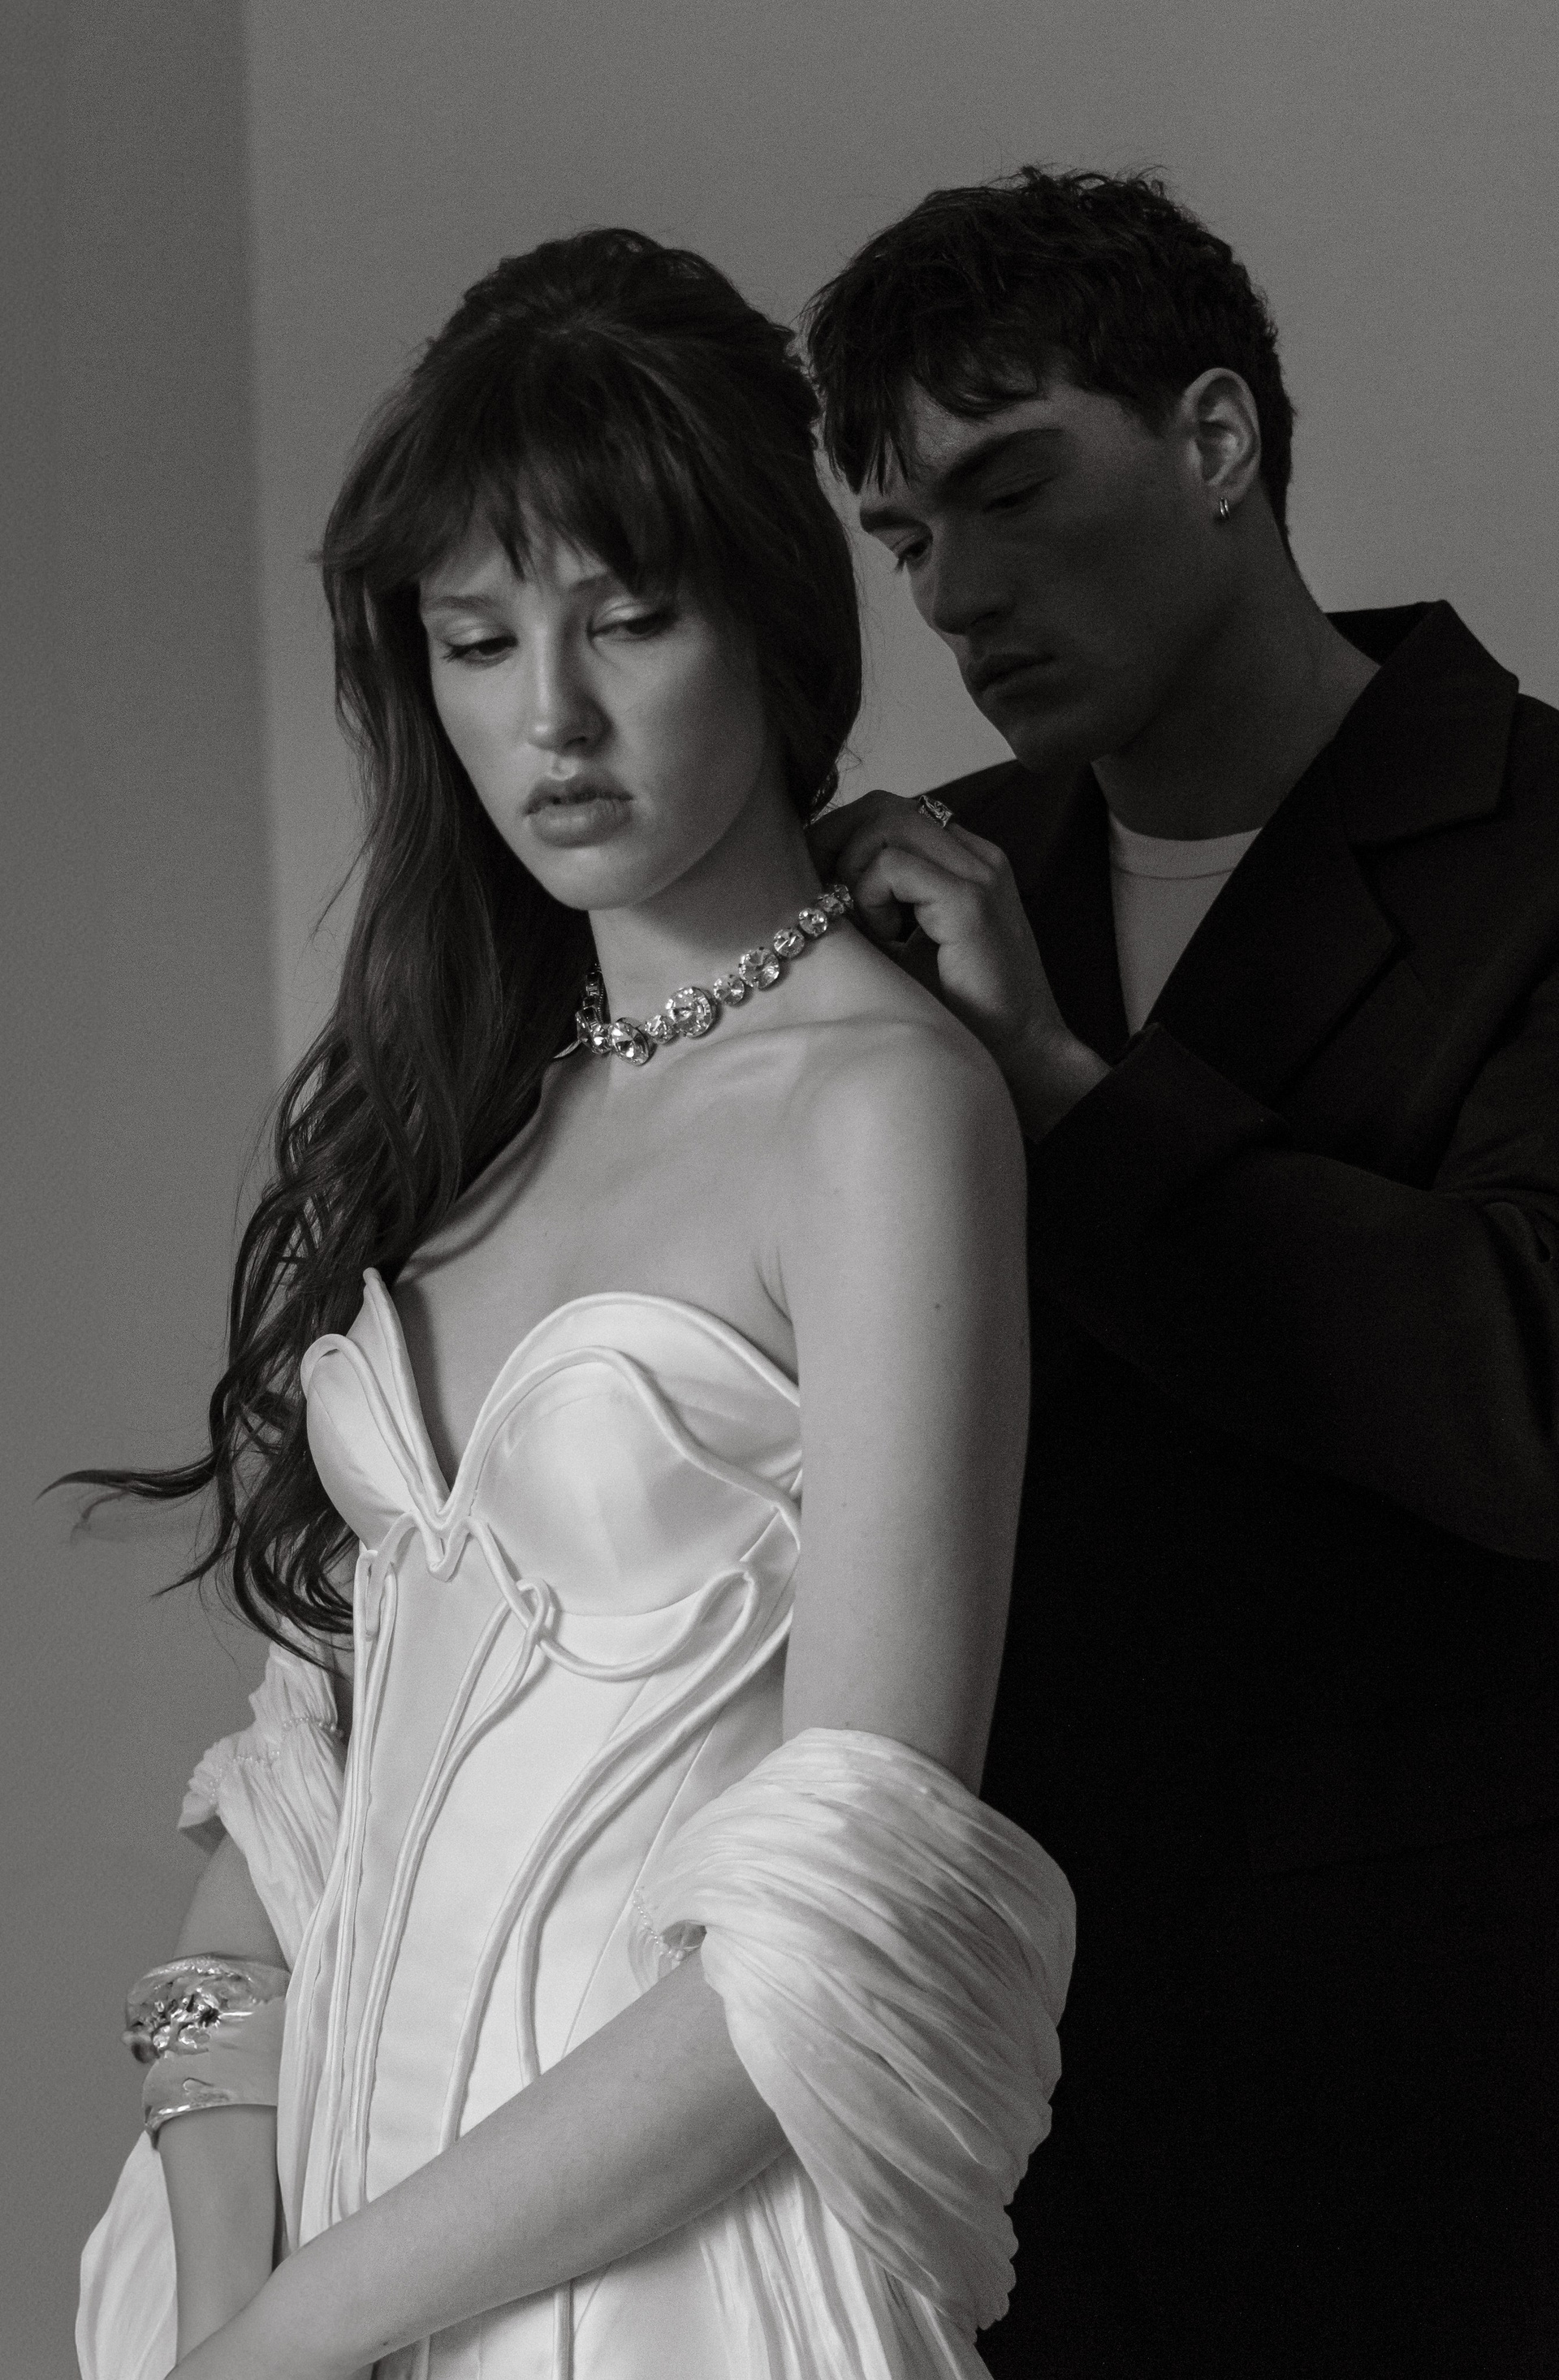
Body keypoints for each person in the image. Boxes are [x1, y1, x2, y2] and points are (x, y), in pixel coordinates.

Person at [72, 230, 1077, 2380]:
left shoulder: (887, 1115)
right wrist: (222, 2291)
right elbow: (284, 1816)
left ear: (777, 626)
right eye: (475, 638)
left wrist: (303, 2330)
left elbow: (835, 1939)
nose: (551, 717)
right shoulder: (465, 1115)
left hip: (662, 2295)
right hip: (290, 2273)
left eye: (627, 619)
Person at [805, 166, 1559, 2378]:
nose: (957, 592)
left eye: (1010, 488)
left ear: (1216, 439)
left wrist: (1063, 1091)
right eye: (905, 538)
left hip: (1453, 2105)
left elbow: (1529, 1388)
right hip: (1011, 2100)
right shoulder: (937, 872)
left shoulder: (1541, 843)